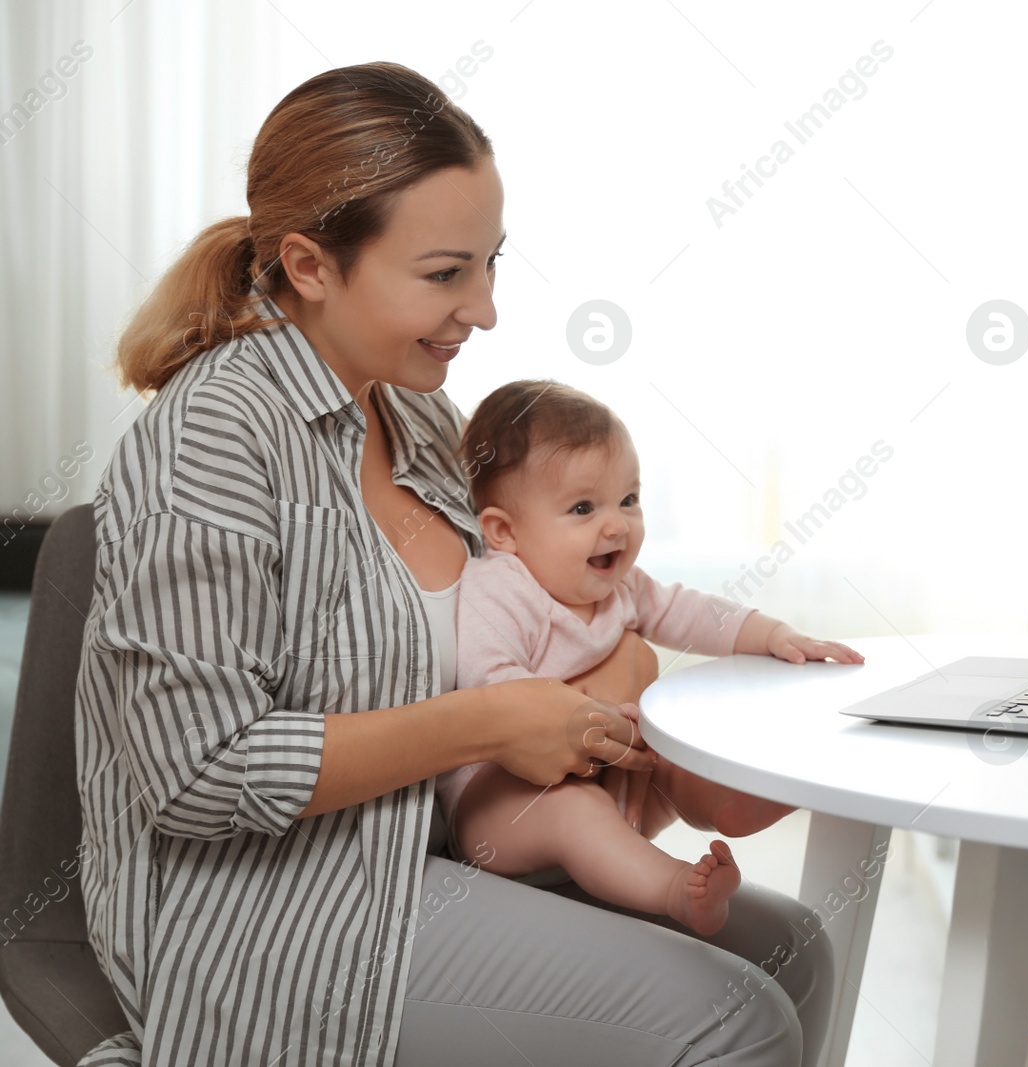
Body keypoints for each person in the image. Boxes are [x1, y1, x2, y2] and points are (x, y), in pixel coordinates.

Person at [75, 61, 832, 1067]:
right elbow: (199, 772)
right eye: (444, 274)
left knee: (796, 949)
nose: (484, 310)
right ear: (309, 264)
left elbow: (515, 610)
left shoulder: (417, 411)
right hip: (283, 907)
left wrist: (611, 677)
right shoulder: (213, 438)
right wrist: (489, 721)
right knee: (733, 1016)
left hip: (438, 842)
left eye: (490, 264)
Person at [436, 380, 864, 936]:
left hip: (612, 783)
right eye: (583, 508)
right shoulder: (501, 588)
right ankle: (673, 890)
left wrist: (772, 634)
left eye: (629, 500)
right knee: (575, 811)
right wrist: (589, 717)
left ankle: (735, 797)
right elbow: (492, 685)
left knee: (678, 760)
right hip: (503, 803)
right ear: (504, 532)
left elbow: (689, 612)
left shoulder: (621, 587)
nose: (616, 525)